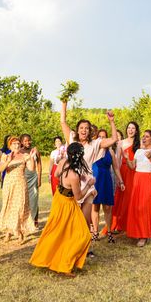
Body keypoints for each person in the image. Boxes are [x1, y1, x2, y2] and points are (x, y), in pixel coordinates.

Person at [60, 99, 117, 253]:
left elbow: (113, 139)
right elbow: (63, 122)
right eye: (81, 127)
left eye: (87, 128)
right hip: (74, 183)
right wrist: (64, 104)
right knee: (72, 219)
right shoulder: (72, 139)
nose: (84, 130)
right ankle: (71, 246)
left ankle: (85, 248)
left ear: (90, 130)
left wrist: (111, 121)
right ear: (78, 130)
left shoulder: (95, 143)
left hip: (89, 185)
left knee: (85, 220)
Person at [29, 142, 93, 277]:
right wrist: (88, 185)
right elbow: (79, 197)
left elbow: (57, 175)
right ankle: (64, 264)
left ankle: (57, 260)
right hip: (67, 204)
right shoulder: (74, 176)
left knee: (58, 231)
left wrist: (69, 181)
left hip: (59, 197)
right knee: (83, 234)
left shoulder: (63, 161)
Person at [0, 136, 37, 242]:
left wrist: (31, 157)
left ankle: (20, 233)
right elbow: (1, 169)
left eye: (18, 144)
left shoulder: (25, 155)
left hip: (20, 183)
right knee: (8, 206)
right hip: (8, 184)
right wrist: (8, 161)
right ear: (10, 145)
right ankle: (8, 232)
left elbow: (32, 169)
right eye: (14, 144)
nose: (17, 146)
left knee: (19, 208)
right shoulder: (5, 156)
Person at [124, 129, 151, 246]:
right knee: (136, 206)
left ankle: (144, 236)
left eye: (147, 137)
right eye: (143, 136)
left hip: (147, 179)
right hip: (137, 178)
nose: (144, 138)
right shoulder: (139, 151)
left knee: (144, 206)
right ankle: (135, 232)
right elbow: (132, 166)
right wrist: (127, 158)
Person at [92, 129, 125, 243]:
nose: (102, 138)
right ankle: (95, 232)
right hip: (95, 179)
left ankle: (109, 232)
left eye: (104, 136)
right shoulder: (93, 149)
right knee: (95, 207)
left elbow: (116, 168)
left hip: (106, 180)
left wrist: (121, 181)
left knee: (107, 208)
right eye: (99, 136)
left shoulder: (110, 152)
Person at [107, 122, 140, 234]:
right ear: (126, 130)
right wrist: (117, 177)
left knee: (132, 198)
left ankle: (130, 224)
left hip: (135, 172)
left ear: (136, 130)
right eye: (129, 128)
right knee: (121, 197)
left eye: (133, 128)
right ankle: (118, 224)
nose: (130, 130)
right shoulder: (121, 143)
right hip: (123, 171)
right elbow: (117, 160)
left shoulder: (139, 144)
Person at [20, 134, 41, 227]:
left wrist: (39, 177)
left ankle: (35, 220)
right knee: (24, 199)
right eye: (25, 141)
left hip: (33, 177)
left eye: (29, 140)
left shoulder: (35, 150)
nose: (27, 142)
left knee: (34, 199)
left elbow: (39, 164)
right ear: (21, 142)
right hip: (24, 177)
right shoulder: (20, 152)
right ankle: (25, 220)